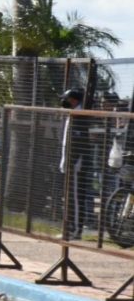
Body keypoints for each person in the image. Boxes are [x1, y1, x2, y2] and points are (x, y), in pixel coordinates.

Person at [60, 88, 92, 238]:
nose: (65, 102)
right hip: (69, 160)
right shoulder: (72, 114)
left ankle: (76, 230)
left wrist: (74, 161)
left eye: (67, 99)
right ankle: (69, 227)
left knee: (76, 197)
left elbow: (81, 142)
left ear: (74, 100)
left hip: (77, 163)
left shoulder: (80, 115)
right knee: (69, 196)